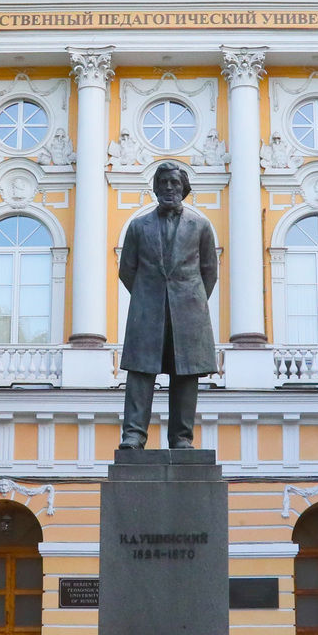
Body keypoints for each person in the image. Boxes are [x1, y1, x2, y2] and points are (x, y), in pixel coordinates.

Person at [117, 163, 218, 449]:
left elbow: (209, 271)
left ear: (184, 188)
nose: (169, 188)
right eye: (163, 182)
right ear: (156, 187)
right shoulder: (138, 226)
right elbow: (127, 270)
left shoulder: (200, 226)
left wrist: (191, 300)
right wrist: (147, 298)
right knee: (140, 373)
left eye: (174, 183)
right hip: (147, 310)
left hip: (188, 312)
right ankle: (134, 435)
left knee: (185, 374)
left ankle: (182, 438)